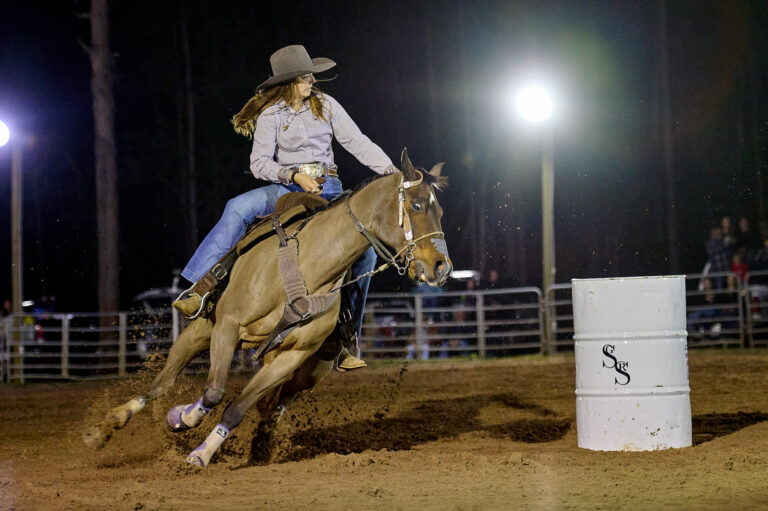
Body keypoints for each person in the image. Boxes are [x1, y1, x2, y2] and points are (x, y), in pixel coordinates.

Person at [173, 45, 399, 371]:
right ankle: (200, 288)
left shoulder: (326, 105)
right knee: (237, 207)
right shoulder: (271, 116)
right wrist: (292, 175)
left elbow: (357, 141)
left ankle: (347, 335)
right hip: (284, 186)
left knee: (367, 253)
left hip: (328, 186)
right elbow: (258, 163)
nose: (312, 79)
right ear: (290, 81)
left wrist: (391, 171)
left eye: (310, 74)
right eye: (305, 76)